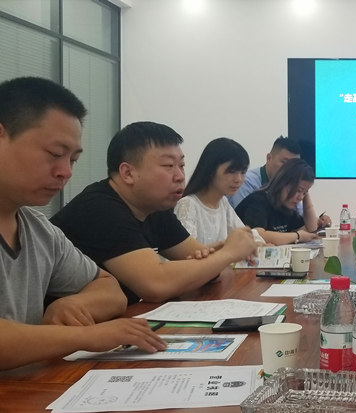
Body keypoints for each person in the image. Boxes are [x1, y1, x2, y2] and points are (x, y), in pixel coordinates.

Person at [0, 77, 166, 370]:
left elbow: (108, 288)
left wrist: (74, 304)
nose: (65, 172)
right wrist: (86, 336)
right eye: (55, 154)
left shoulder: (38, 230)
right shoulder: (98, 206)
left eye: (73, 159)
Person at [51, 121, 258, 304]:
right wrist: (228, 253)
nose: (180, 176)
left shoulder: (155, 207)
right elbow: (156, 284)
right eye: (169, 165)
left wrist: (219, 251)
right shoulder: (99, 208)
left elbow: (199, 261)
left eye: (182, 165)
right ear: (128, 173)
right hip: (63, 327)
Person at [229, 136, 331, 228]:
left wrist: (305, 190)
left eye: (294, 166)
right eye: (285, 163)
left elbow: (305, 223)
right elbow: (244, 225)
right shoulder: (248, 184)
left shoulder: (287, 197)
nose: (290, 170)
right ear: (269, 158)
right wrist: (297, 235)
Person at [174, 137, 254, 246]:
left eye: (243, 172)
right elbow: (188, 252)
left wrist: (259, 244)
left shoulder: (223, 202)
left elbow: (244, 233)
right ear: (211, 170)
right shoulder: (187, 205)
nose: (238, 179)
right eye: (231, 171)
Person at [235, 158, 321, 245]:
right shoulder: (258, 201)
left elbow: (311, 230)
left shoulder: (286, 206)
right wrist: (297, 236)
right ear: (283, 182)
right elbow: (258, 235)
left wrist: (305, 193)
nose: (301, 197)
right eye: (298, 190)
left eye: (304, 193)